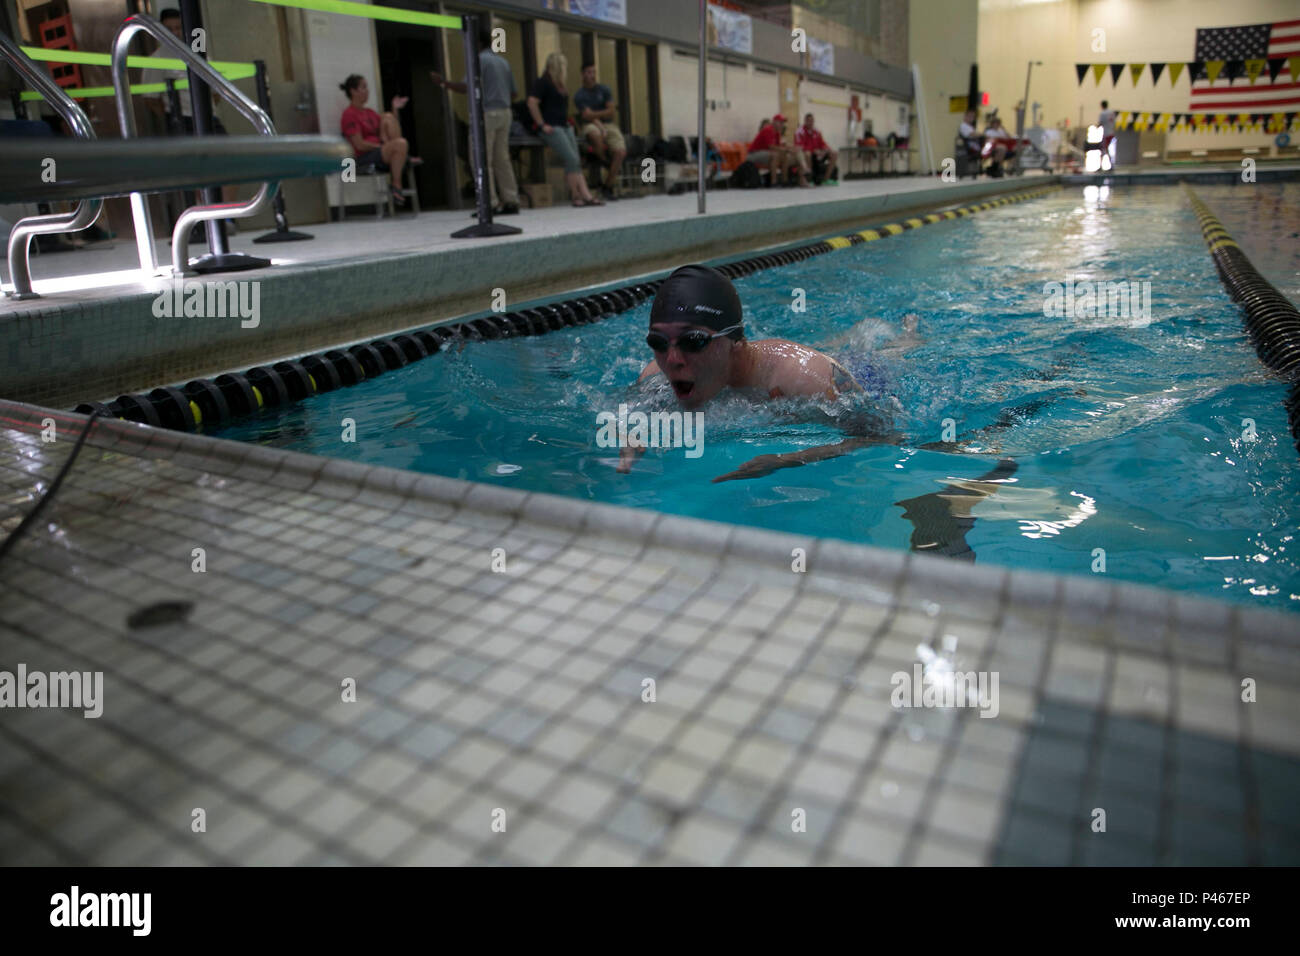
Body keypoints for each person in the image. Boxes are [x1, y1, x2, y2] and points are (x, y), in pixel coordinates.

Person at [430, 23, 520, 215]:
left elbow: (466, 87)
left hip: (486, 114)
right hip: (505, 113)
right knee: (502, 159)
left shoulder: (479, 60)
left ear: (476, 42)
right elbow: (514, 93)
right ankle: (511, 199)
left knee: (480, 160)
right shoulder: (503, 62)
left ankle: (490, 203)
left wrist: (443, 83)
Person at [527, 52, 603, 207]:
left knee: (575, 160)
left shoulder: (559, 84)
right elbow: (532, 102)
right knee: (571, 159)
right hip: (552, 127)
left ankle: (584, 194)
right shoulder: (543, 82)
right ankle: (576, 195)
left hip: (564, 125)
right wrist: (541, 124)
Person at [339, 74, 414, 207]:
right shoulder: (349, 114)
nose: (367, 91)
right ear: (353, 91)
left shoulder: (369, 112)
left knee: (388, 117)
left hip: (379, 152)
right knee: (400, 144)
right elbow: (360, 145)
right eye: (363, 87)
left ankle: (401, 156)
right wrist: (382, 146)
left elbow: (392, 131)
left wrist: (395, 109)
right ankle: (396, 184)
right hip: (361, 158)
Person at [573, 62, 627, 201]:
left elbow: (612, 112)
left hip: (608, 125)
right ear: (583, 74)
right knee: (595, 135)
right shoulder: (580, 95)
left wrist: (595, 114)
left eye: (594, 72)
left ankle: (607, 187)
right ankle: (606, 162)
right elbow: (586, 117)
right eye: (589, 72)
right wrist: (601, 115)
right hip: (590, 125)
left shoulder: (604, 90)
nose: (592, 76)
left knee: (620, 152)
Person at [747, 114, 810, 187]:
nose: (782, 124)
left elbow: (779, 146)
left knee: (784, 155)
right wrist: (788, 150)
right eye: (780, 122)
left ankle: (785, 181)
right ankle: (774, 182)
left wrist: (791, 149)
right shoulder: (768, 129)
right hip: (753, 154)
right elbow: (772, 147)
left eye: (783, 123)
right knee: (776, 155)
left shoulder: (776, 133)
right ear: (774, 122)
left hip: (766, 153)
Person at [795, 113, 838, 185]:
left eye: (812, 121)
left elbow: (822, 143)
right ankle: (809, 179)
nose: (810, 122)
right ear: (805, 121)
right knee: (807, 153)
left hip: (818, 153)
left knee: (834, 153)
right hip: (808, 154)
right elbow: (800, 146)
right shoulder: (799, 131)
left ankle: (826, 179)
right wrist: (814, 151)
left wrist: (826, 149)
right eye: (808, 121)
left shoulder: (817, 131)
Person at [1097, 100, 1117, 170]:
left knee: (1103, 150)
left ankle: (1101, 166)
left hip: (1106, 134)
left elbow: (1100, 123)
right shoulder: (1112, 112)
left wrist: (1096, 127)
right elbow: (1114, 122)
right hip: (1112, 133)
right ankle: (1110, 165)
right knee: (1107, 150)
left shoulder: (1103, 113)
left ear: (1102, 106)